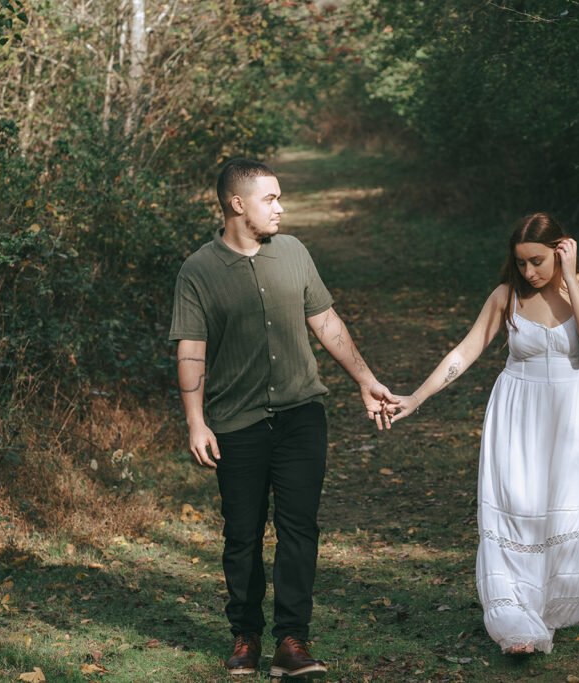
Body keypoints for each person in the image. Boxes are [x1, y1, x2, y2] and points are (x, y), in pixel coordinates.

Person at [169, 158, 396, 677]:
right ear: (236, 204)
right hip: (236, 422)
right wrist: (196, 421)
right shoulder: (198, 270)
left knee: (299, 529)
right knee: (242, 533)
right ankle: (245, 636)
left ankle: (292, 640)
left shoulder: (293, 252)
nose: (281, 207)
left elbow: (326, 321)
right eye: (270, 198)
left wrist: (364, 378)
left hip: (301, 414)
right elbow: (190, 350)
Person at [388, 212, 579, 654]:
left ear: (562, 248)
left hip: (571, 417)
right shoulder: (506, 296)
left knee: (561, 509)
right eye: (521, 263)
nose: (528, 272)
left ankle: (548, 606)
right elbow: (466, 350)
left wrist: (568, 275)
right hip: (516, 414)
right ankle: (515, 619)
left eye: (537, 261)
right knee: (515, 510)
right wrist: (416, 397)